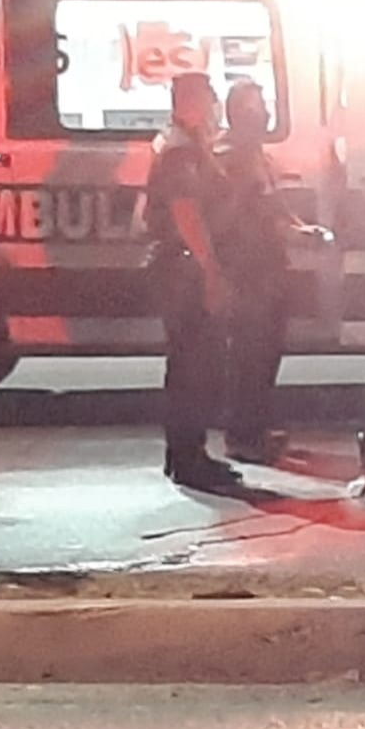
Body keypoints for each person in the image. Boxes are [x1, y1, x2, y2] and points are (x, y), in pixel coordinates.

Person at [214, 79, 330, 465]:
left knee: (265, 353)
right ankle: (243, 436)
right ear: (237, 113)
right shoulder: (229, 157)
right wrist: (291, 232)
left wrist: (300, 229)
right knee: (249, 355)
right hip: (246, 269)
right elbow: (251, 215)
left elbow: (274, 205)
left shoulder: (255, 155)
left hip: (267, 265)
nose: (263, 113)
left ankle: (256, 429)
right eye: (255, 106)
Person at [144, 73, 240, 489]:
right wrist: (211, 270)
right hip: (185, 269)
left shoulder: (181, 143)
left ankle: (186, 455)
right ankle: (189, 459)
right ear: (191, 101)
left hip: (179, 265)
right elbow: (186, 213)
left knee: (189, 365)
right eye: (209, 98)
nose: (214, 105)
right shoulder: (181, 151)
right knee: (193, 367)